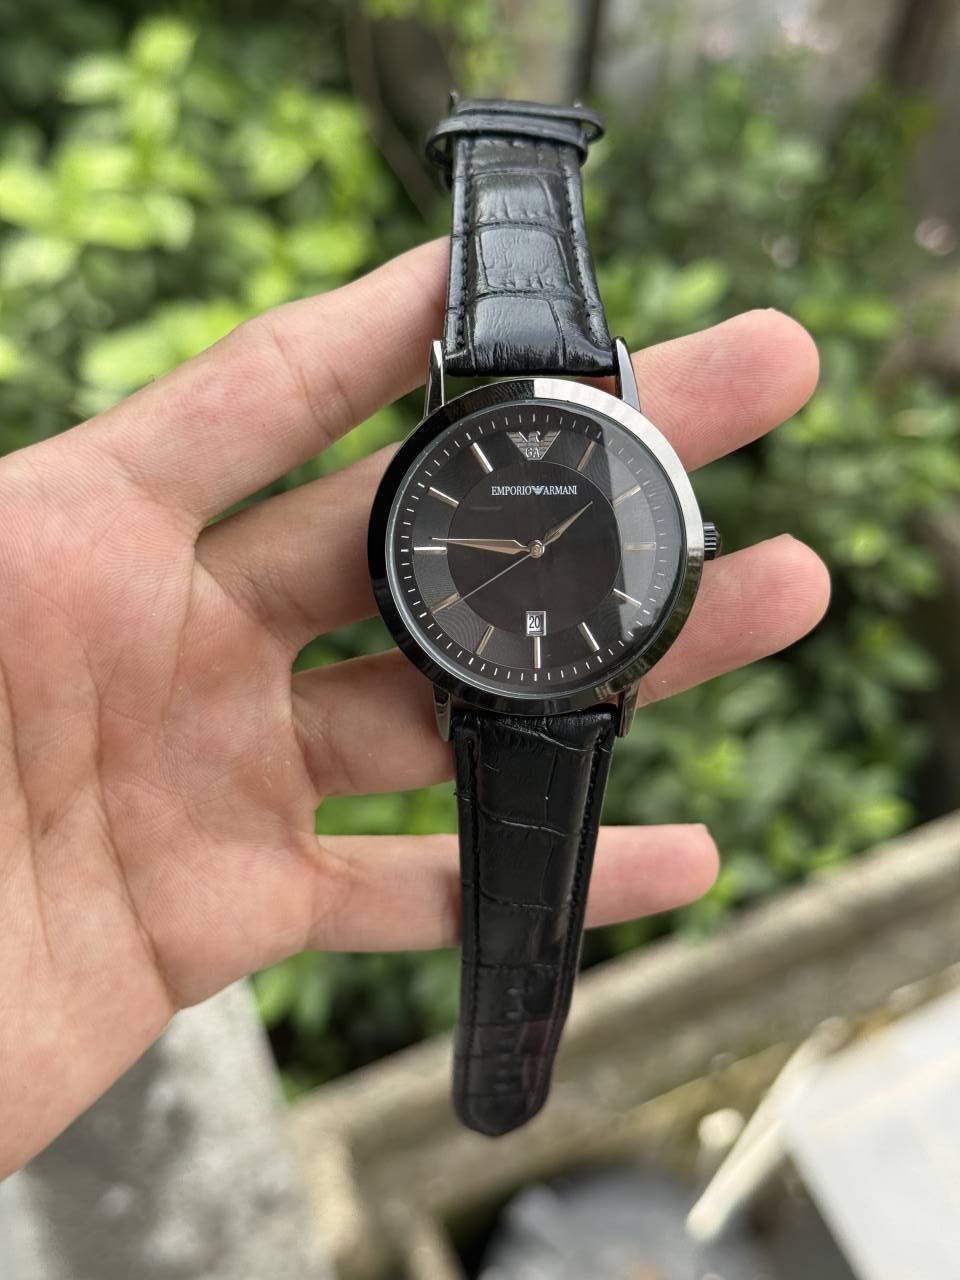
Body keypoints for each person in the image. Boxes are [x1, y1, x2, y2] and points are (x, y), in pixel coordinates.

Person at [0, 240, 828, 1176]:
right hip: (518, 682)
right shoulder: (574, 489)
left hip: (573, 687)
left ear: (687, 544)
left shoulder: (544, 512)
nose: (538, 551)